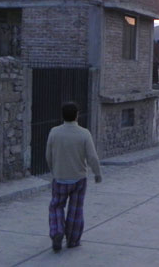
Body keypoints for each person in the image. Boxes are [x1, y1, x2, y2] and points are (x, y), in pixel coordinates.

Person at [45, 102, 102, 252]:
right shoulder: (84, 134)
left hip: (60, 178)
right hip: (79, 179)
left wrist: (53, 170)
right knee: (76, 209)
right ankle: (73, 240)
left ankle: (57, 231)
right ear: (77, 115)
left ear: (62, 115)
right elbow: (92, 157)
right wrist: (97, 173)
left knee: (56, 206)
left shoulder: (54, 132)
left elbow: (48, 155)